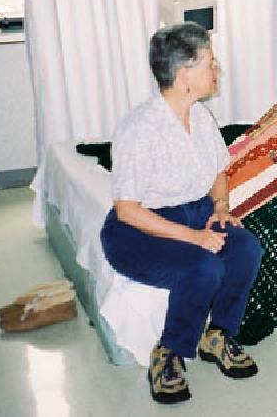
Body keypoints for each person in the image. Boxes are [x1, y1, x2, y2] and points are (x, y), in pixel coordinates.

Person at [100, 22, 264, 404]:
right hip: (138, 230)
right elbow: (126, 210)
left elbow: (218, 173)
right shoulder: (140, 128)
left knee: (246, 249)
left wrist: (220, 208)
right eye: (211, 63)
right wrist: (195, 237)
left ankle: (218, 334)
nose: (218, 70)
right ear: (184, 74)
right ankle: (169, 353)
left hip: (194, 213)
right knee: (203, 267)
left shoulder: (201, 118)